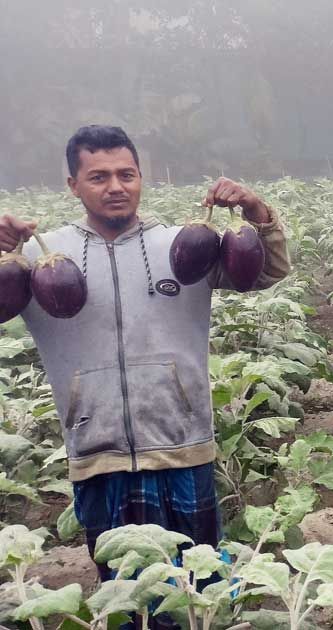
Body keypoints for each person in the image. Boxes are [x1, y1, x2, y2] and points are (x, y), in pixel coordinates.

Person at [0, 125, 290, 613]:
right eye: (98, 176)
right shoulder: (37, 259)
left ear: (140, 178)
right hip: (97, 452)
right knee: (125, 595)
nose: (115, 186)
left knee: (196, 589)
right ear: (73, 185)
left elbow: (268, 271)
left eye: (126, 174)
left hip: (182, 445)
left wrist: (257, 214)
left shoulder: (186, 247)